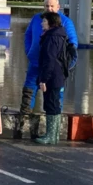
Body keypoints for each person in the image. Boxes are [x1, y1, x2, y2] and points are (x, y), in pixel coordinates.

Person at [20, 0, 78, 115]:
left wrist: (66, 64)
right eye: (47, 6)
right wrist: (29, 51)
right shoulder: (36, 18)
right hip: (35, 62)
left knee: (54, 96)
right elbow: (28, 35)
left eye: (52, 6)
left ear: (58, 7)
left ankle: (53, 126)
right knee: (29, 90)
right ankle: (24, 118)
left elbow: (73, 44)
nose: (49, 8)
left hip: (54, 66)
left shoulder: (66, 22)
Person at [34, 11, 67, 145]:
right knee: (55, 105)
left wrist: (43, 80)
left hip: (52, 77)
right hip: (58, 75)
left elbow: (49, 60)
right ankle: (54, 136)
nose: (42, 23)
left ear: (51, 22)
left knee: (51, 105)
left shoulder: (51, 37)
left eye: (44, 21)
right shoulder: (59, 35)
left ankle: (50, 136)